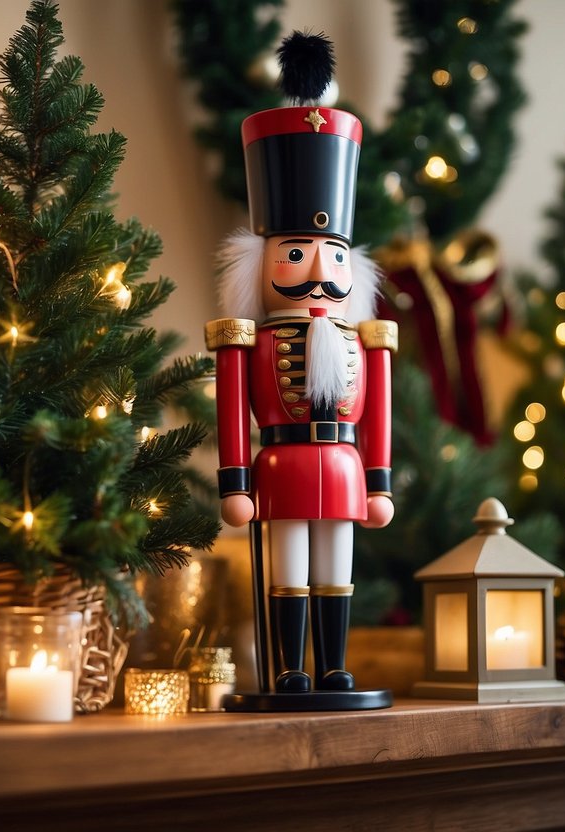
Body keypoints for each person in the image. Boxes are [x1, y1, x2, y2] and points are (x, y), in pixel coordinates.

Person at [205, 32, 396, 708]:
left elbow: (377, 416)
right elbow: (232, 407)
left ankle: (333, 666)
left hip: (343, 468)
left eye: (332, 254)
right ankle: (290, 671)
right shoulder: (245, 341)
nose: (319, 270)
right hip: (280, 470)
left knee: (335, 571)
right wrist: (234, 480)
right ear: (264, 264)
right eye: (296, 253)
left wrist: (378, 481)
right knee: (288, 571)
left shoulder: (366, 338)